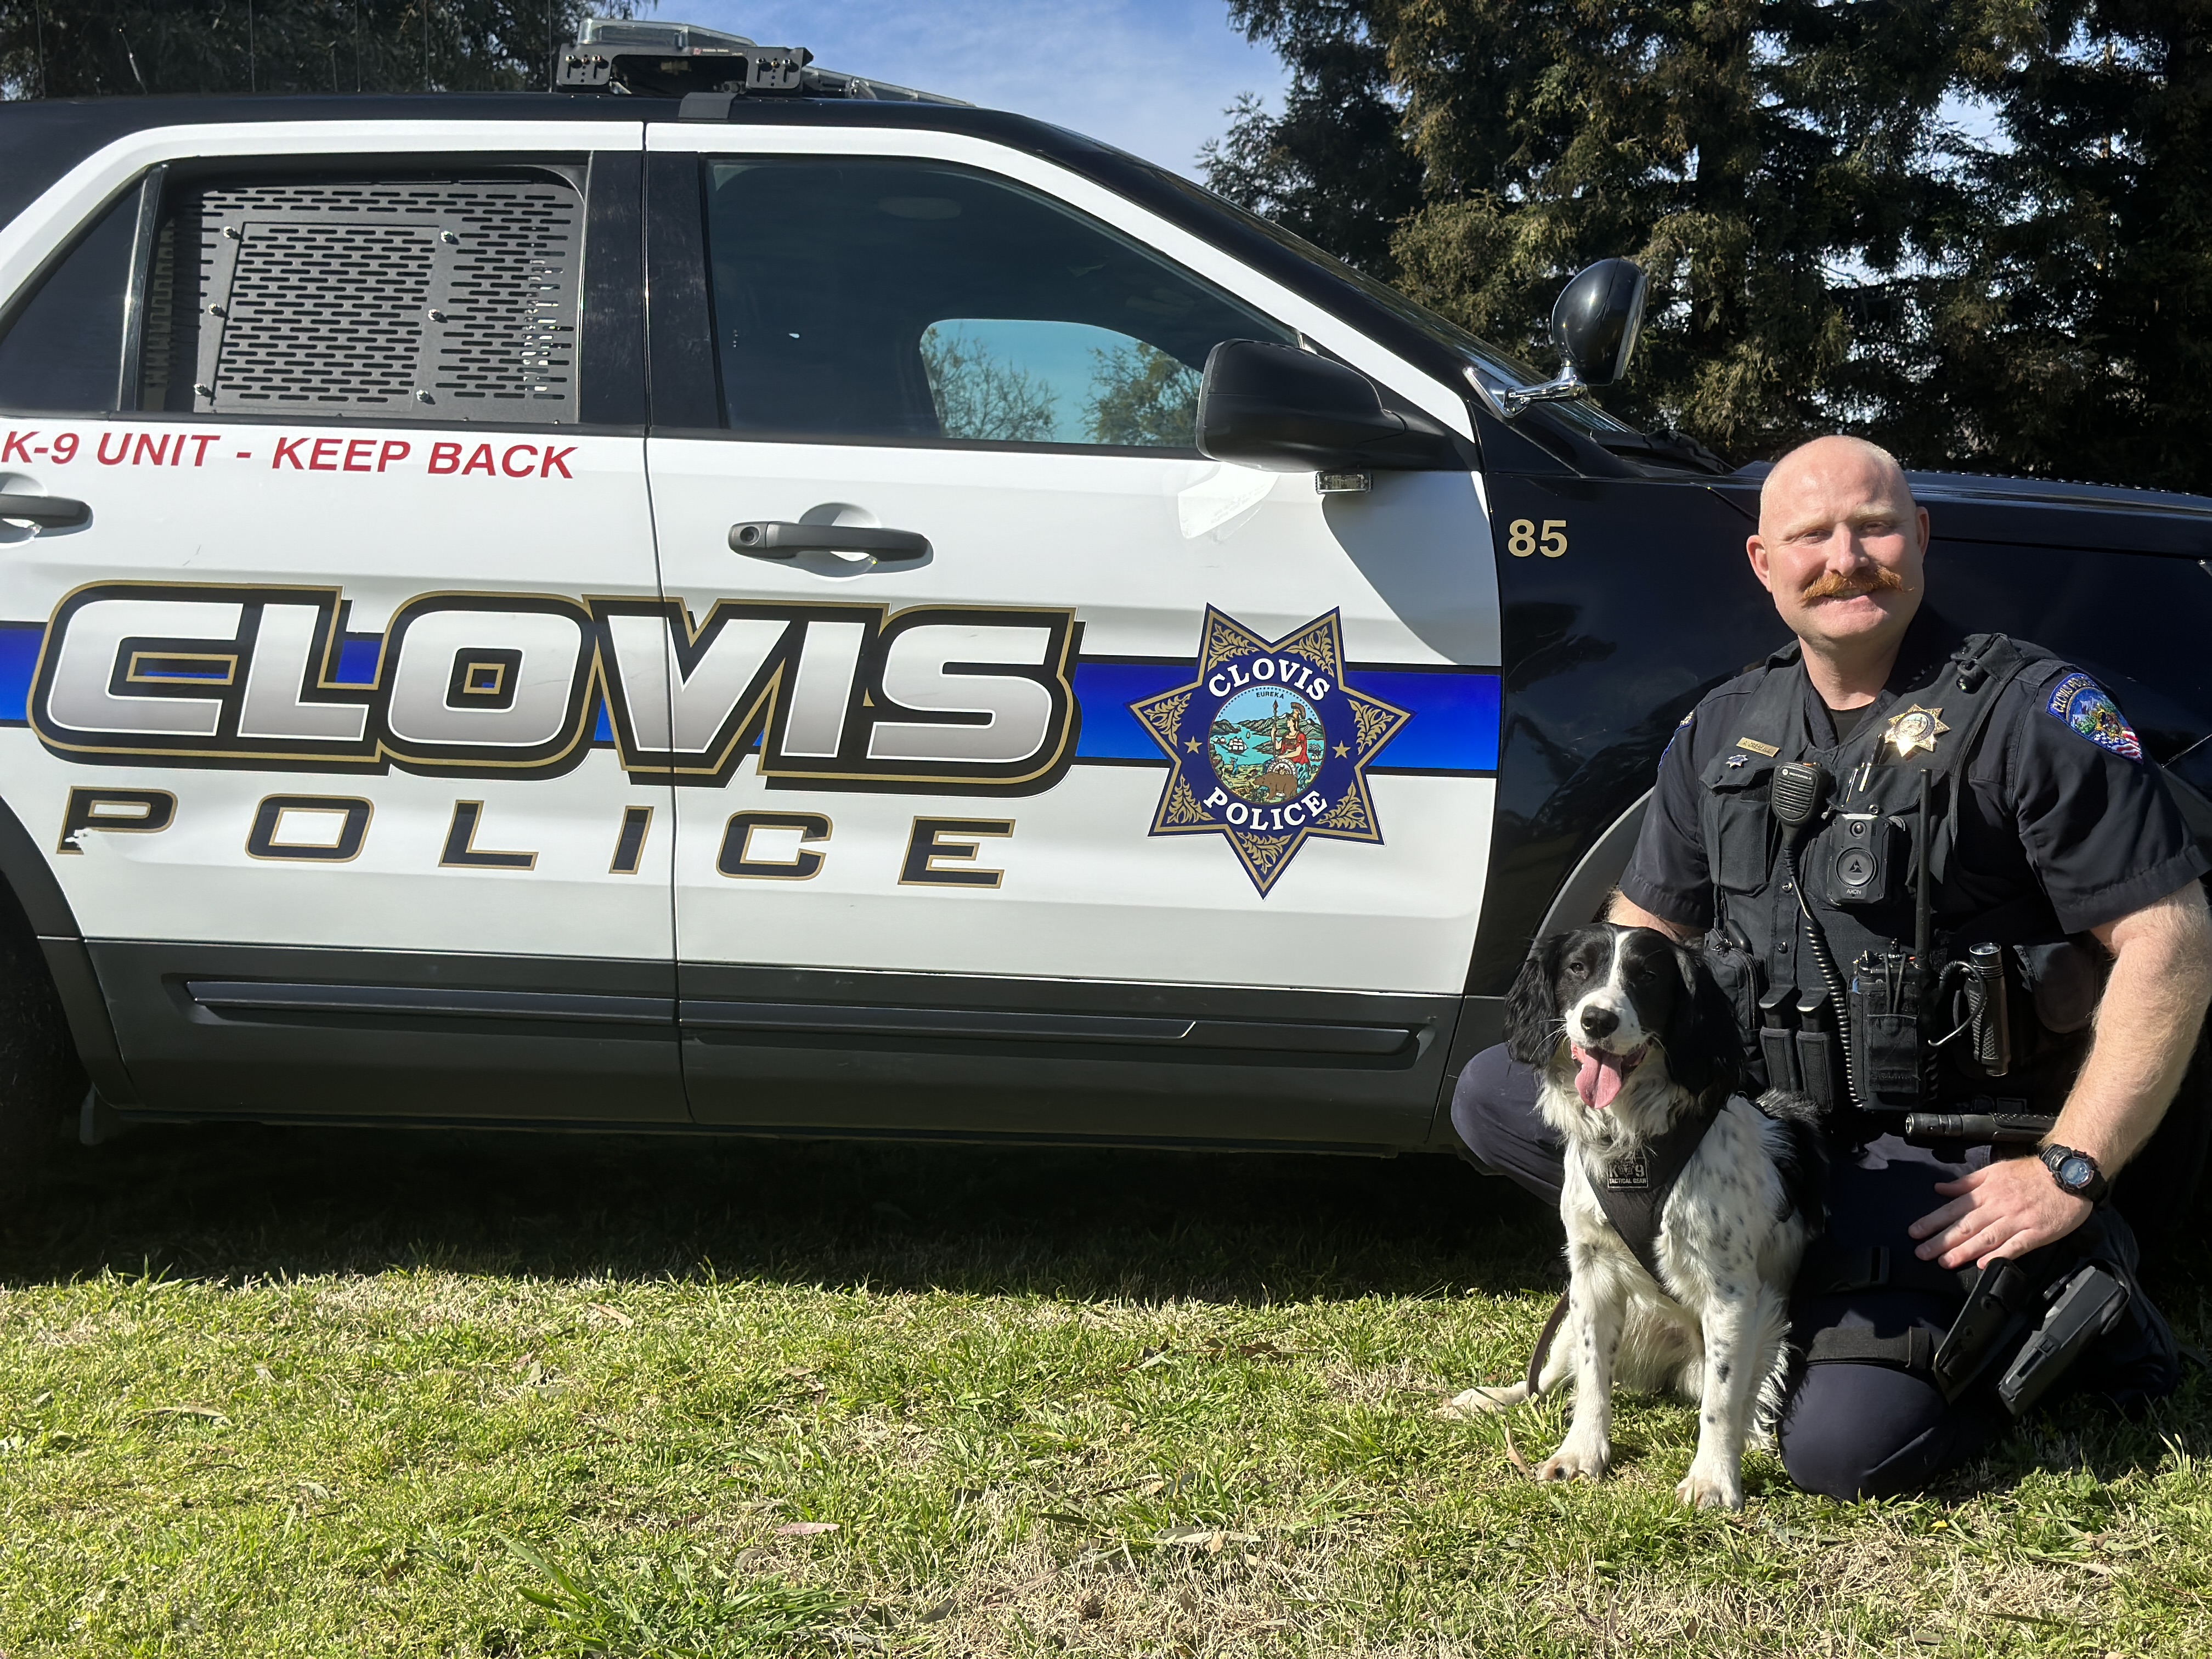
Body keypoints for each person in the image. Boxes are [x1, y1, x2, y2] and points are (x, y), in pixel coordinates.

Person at [1454, 435, 2212, 1500]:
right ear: (1765, 563)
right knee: (1496, 1093)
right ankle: (1722, 1272)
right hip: (1765, 1131)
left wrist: (2070, 1169)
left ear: (1922, 540)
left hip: (1938, 1157)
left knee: (1847, 1452)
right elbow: (1643, 935)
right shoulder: (1721, 728)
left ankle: (2064, 1279)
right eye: (1812, 536)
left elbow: (2170, 945)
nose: (1846, 557)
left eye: (1875, 527)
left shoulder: (2030, 714)